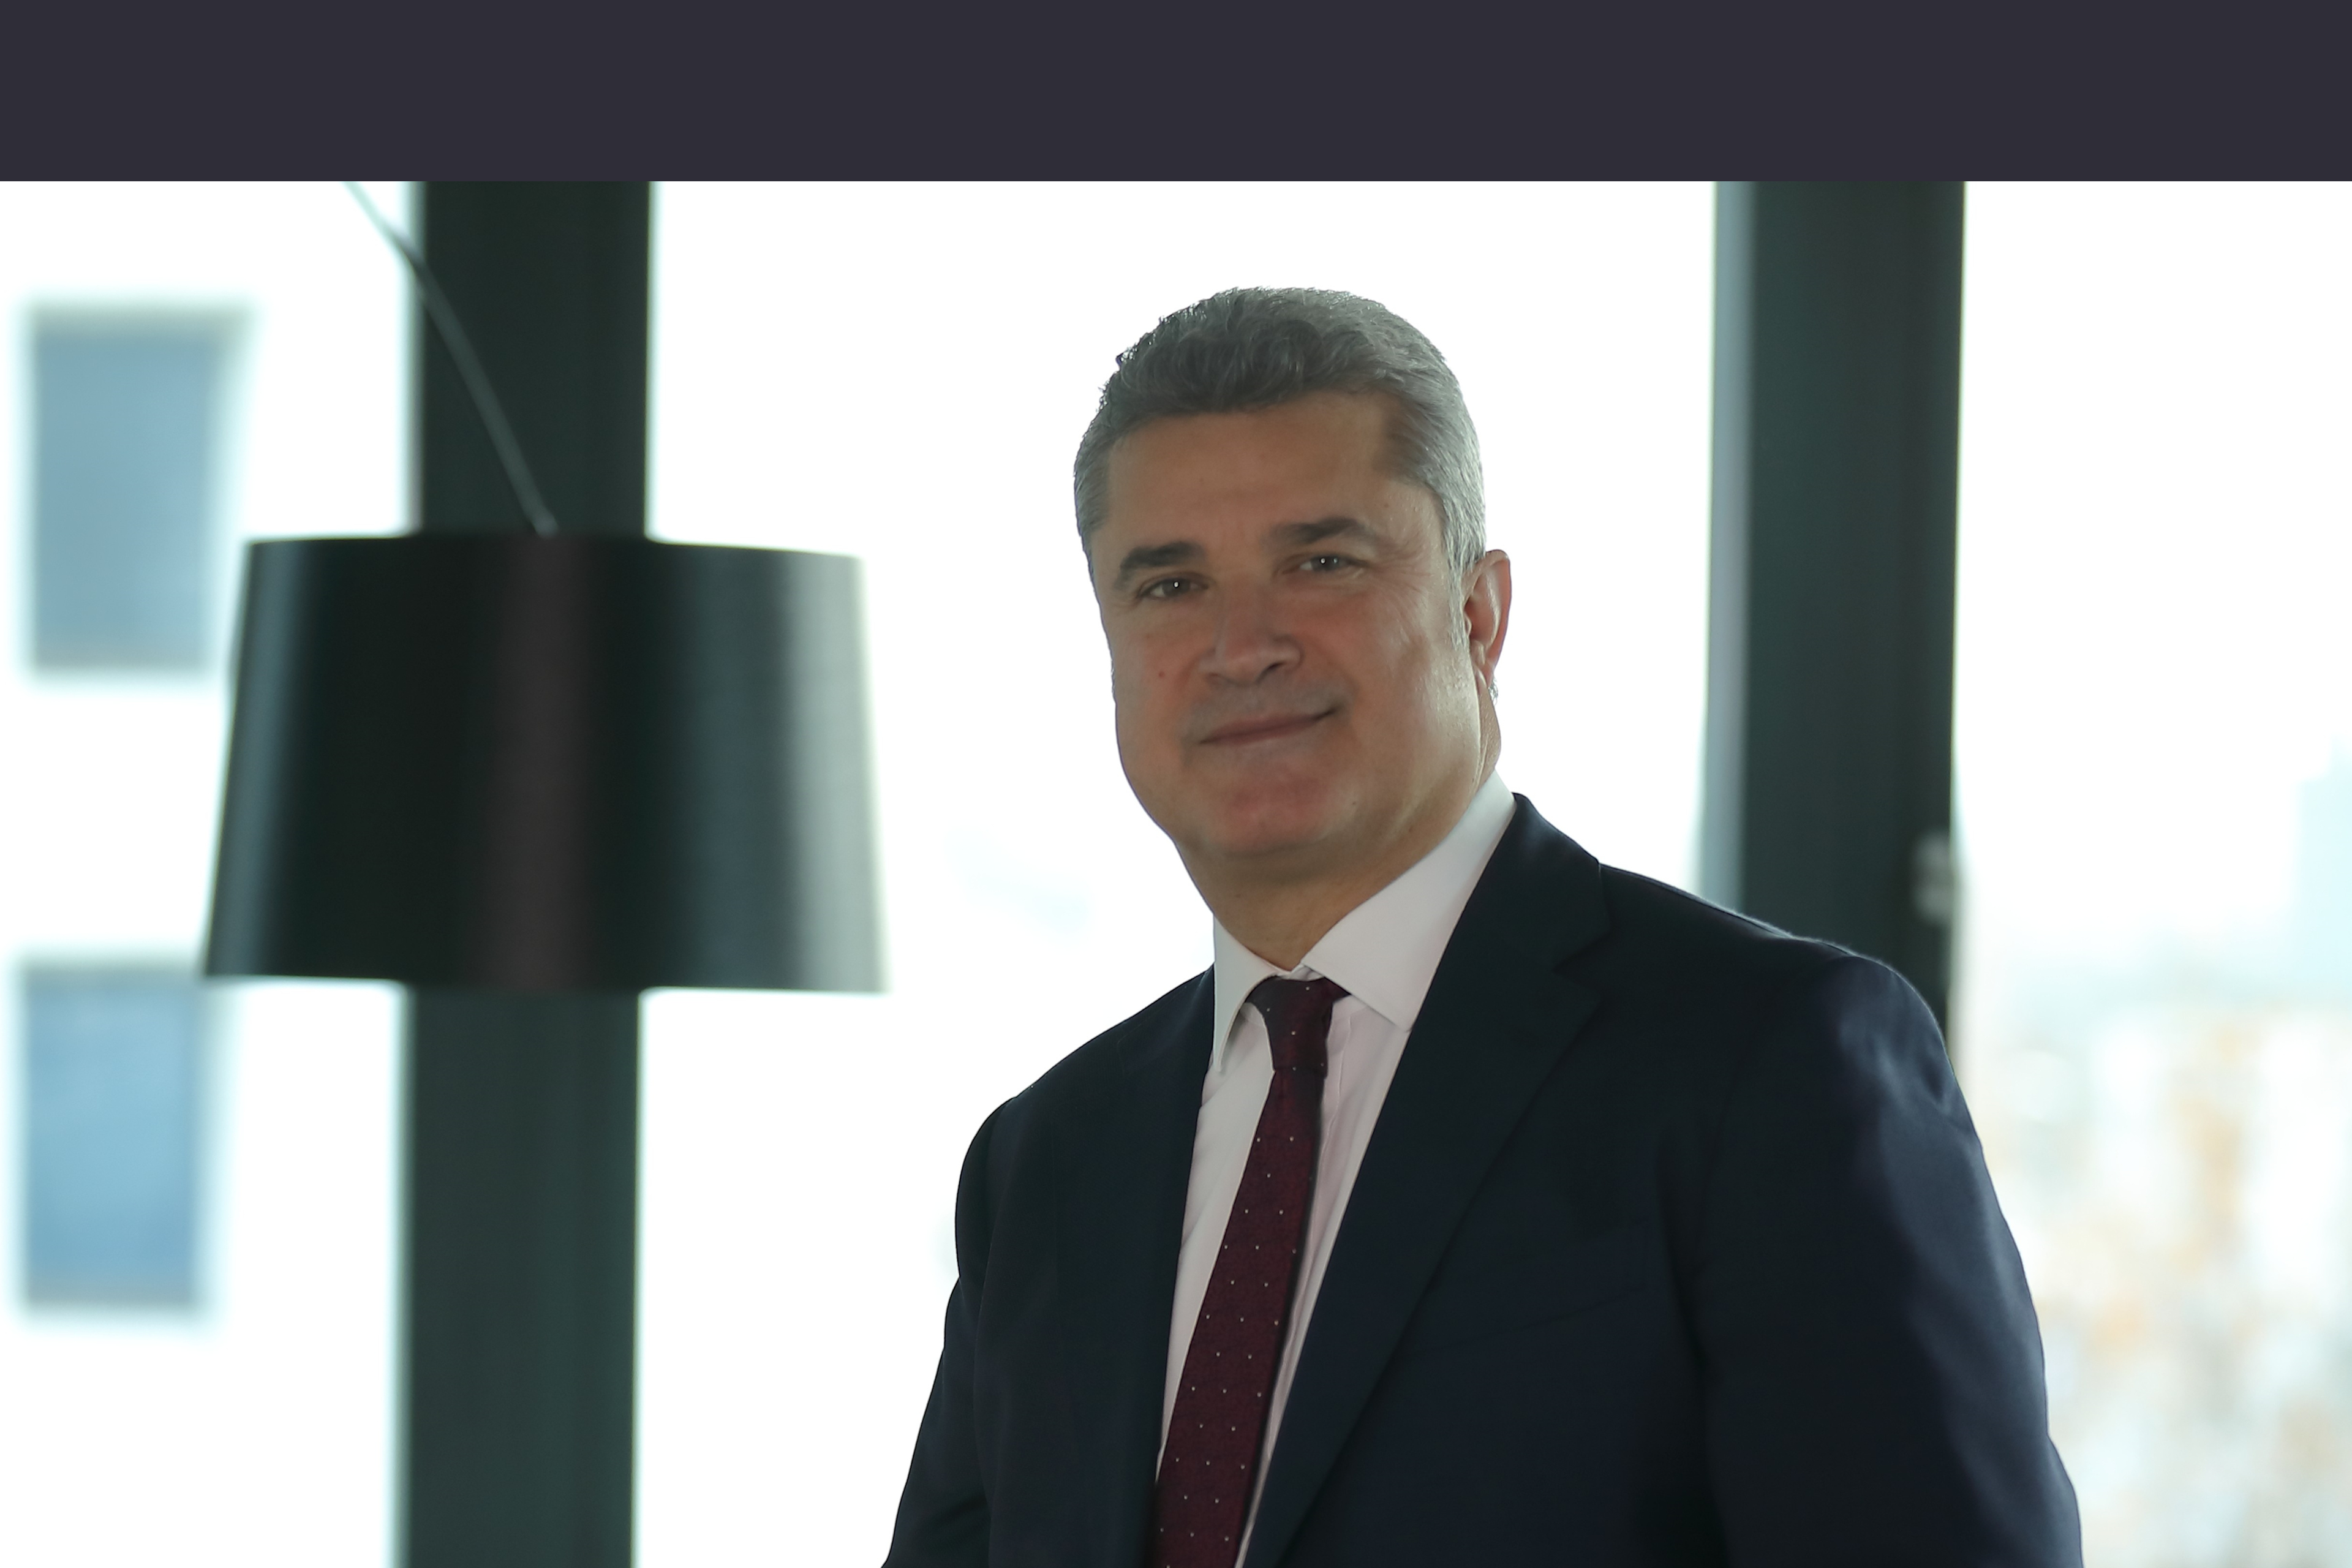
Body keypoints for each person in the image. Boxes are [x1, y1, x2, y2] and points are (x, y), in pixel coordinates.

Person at [884, 287, 2080, 1567]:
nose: (1243, 646)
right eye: (1172, 584)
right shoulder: (1044, 1166)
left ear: (1479, 614)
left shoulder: (1770, 1063)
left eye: (1322, 562)